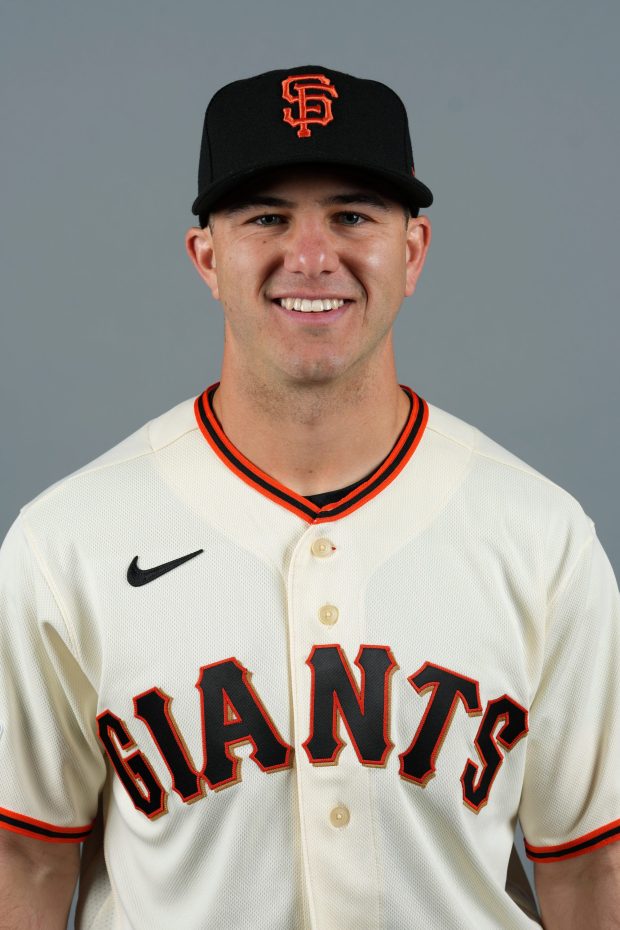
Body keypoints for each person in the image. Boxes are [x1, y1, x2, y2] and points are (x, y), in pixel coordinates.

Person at [0, 65, 618, 930]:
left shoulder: (542, 540)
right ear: (206, 258)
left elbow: (594, 864)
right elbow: (25, 853)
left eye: (353, 215)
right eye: (267, 218)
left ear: (413, 251)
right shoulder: (66, 543)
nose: (313, 255)